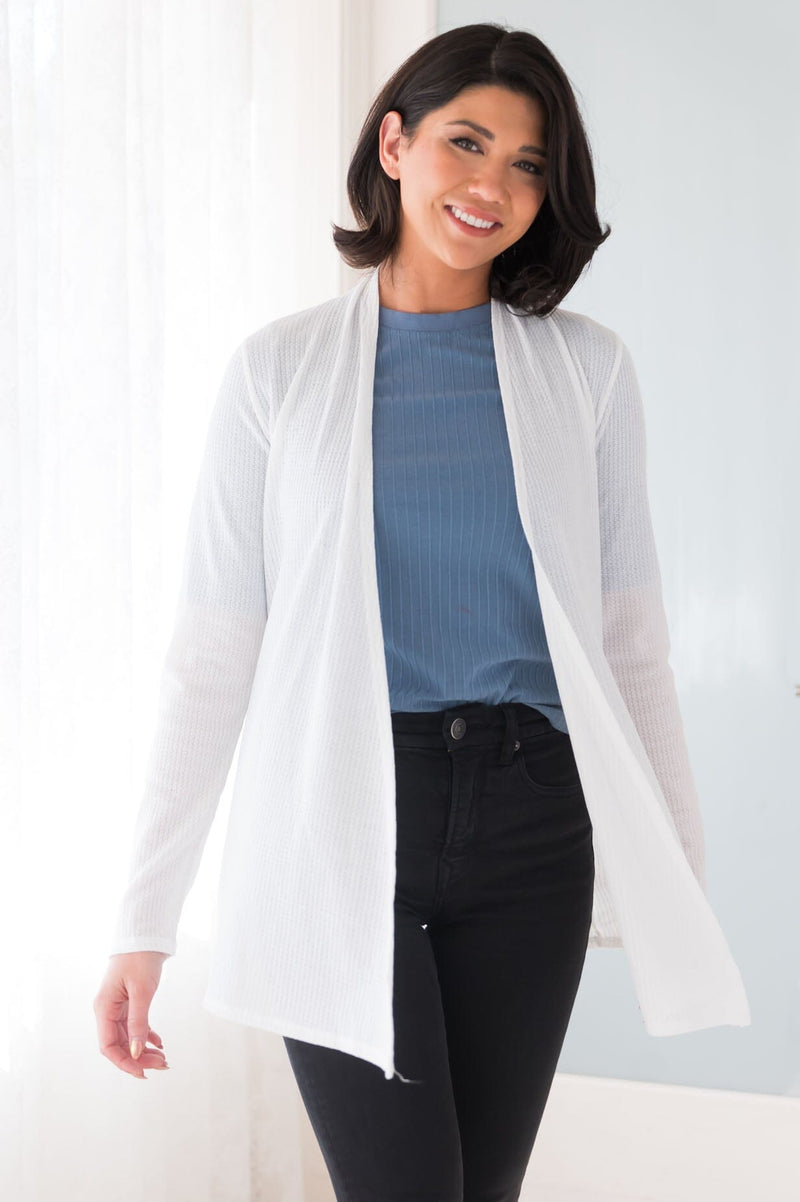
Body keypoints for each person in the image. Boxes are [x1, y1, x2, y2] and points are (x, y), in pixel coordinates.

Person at [94, 21, 750, 1202]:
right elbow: (212, 655)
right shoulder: (277, 372)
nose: (492, 184)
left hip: (530, 819)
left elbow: (629, 641)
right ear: (393, 145)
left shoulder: (587, 370)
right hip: (337, 813)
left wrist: (676, 870)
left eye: (527, 163)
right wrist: (144, 919)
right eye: (466, 142)